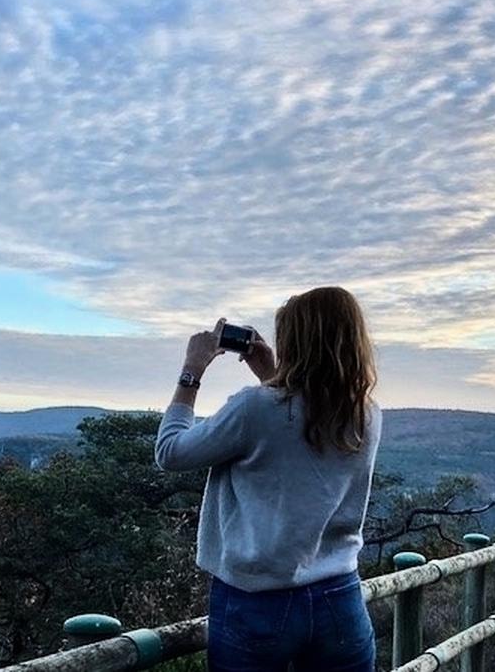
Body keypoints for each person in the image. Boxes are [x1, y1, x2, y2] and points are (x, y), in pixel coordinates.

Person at [155, 286, 381, 672]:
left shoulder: (254, 408)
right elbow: (299, 428)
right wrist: (271, 373)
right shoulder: (366, 414)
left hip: (257, 599)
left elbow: (171, 452)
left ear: (296, 340)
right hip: (339, 596)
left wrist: (191, 370)